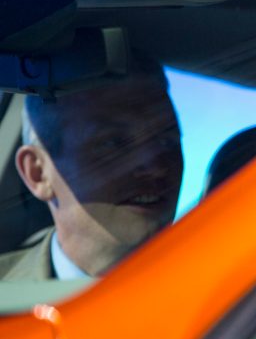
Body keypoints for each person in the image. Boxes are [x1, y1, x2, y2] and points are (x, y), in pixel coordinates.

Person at [0, 57, 183, 280]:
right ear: (38, 174)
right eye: (113, 143)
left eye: (167, 141)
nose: (156, 167)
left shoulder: (230, 292)